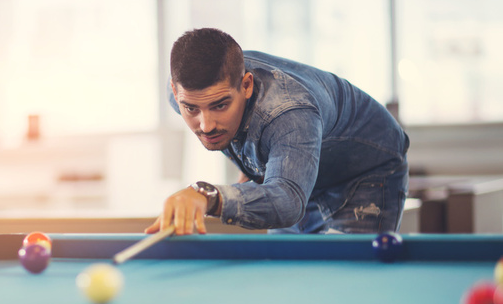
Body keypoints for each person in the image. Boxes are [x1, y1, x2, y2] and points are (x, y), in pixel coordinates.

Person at [145, 28, 409, 236]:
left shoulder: (290, 114)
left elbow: (287, 202)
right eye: (191, 108)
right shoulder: (180, 95)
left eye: (220, 105)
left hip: (363, 171)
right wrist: (252, 160)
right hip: (300, 170)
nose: (206, 125)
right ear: (175, 90)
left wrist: (208, 195)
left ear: (246, 85)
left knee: (346, 285)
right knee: (286, 280)